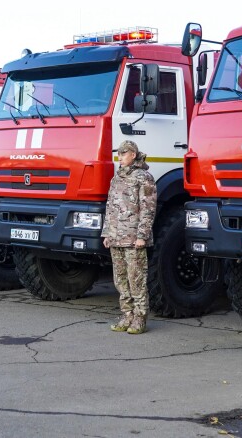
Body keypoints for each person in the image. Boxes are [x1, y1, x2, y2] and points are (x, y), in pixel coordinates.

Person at [102, 140, 157, 335]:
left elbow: (148, 209)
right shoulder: (116, 179)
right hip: (117, 238)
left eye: (123, 154)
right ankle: (127, 315)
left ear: (133, 154)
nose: (120, 157)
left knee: (137, 279)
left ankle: (139, 318)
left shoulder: (143, 177)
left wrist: (142, 236)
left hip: (134, 239)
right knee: (120, 280)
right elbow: (110, 207)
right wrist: (107, 233)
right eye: (119, 154)